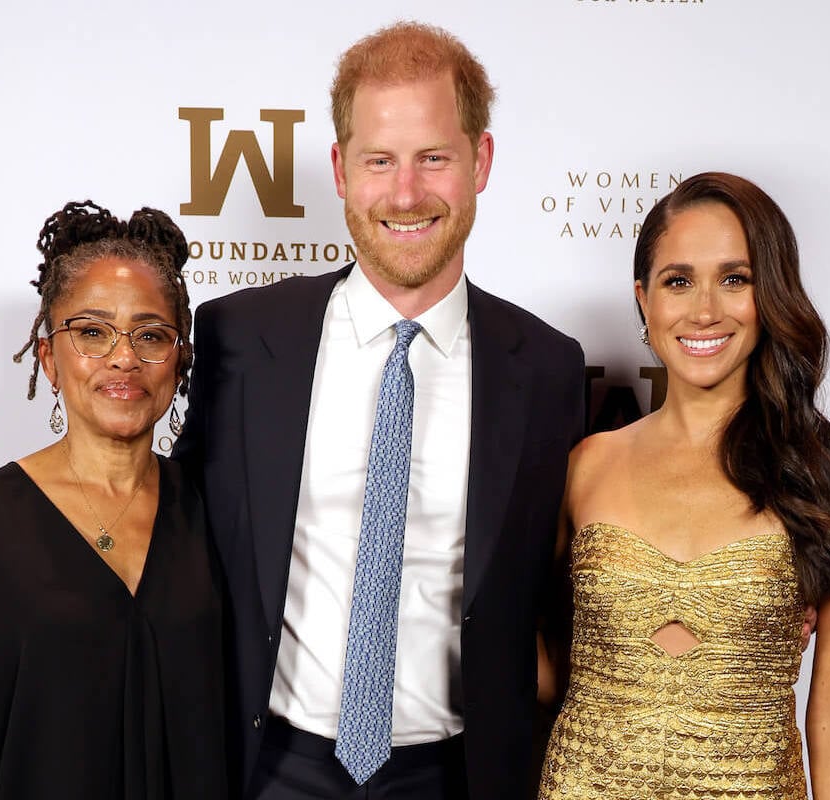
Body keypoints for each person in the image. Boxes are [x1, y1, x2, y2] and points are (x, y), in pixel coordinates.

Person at [173, 21, 585, 800]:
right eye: (379, 161)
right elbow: (172, 537)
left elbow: (575, 582)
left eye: (434, 157)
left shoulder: (548, 369)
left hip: (455, 776)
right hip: (268, 770)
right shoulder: (238, 339)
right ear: (338, 169)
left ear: (481, 162)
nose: (405, 193)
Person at [538, 172, 830, 800]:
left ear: (772, 294)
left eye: (735, 279)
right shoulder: (585, 464)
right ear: (644, 299)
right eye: (678, 281)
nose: (704, 310)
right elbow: (537, 663)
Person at [0, 201, 226, 799]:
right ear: (49, 358)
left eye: (151, 335)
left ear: (179, 365)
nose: (124, 357)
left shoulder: (219, 515)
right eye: (92, 332)